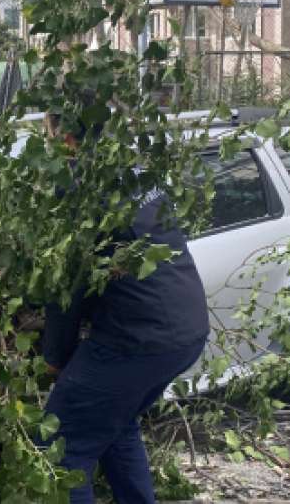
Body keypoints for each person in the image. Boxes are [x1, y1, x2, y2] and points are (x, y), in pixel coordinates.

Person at [42, 120, 209, 504]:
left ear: (67, 135)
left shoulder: (77, 187)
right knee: (117, 428)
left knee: (61, 446)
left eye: (52, 130)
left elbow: (67, 284)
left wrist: (56, 357)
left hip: (135, 340)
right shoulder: (139, 176)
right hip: (186, 331)